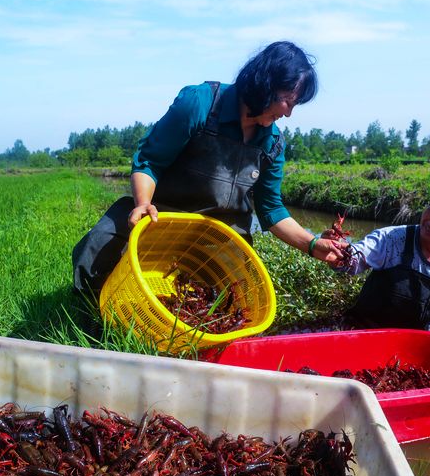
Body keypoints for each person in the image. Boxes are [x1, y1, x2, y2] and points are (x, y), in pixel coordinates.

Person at [72, 41, 345, 299]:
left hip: (219, 239)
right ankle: (92, 320)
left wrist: (312, 245)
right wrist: (143, 203)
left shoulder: (272, 143)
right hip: (159, 219)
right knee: (96, 247)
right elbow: (150, 160)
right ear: (266, 85)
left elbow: (271, 210)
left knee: (238, 295)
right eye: (288, 101)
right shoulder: (200, 103)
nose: (288, 114)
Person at [333, 186, 430, 339]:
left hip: (423, 343)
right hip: (370, 334)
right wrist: (335, 251)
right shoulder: (393, 239)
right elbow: (353, 261)